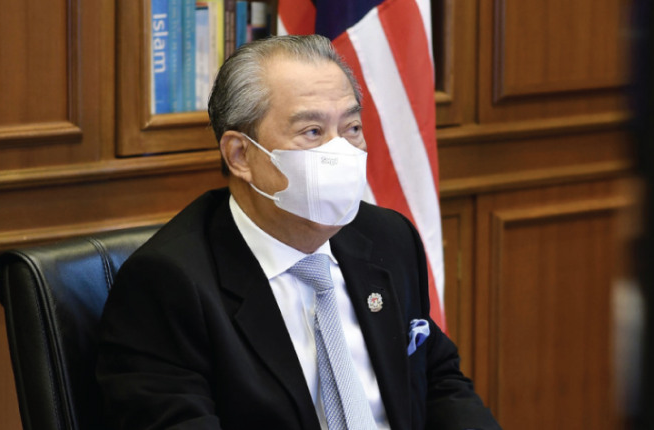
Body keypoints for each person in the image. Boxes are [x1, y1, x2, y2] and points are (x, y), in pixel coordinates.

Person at [97, 35, 501, 430]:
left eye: (352, 127)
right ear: (240, 155)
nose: (341, 151)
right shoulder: (168, 283)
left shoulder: (388, 237)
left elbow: (437, 379)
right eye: (312, 132)